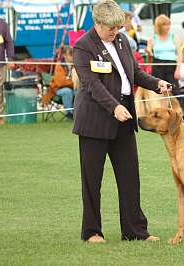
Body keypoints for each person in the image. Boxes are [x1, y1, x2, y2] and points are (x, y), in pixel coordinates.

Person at [72, 0, 171, 243]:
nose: (115, 32)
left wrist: (156, 83)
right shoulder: (83, 47)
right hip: (95, 120)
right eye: (110, 28)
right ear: (97, 23)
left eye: (118, 27)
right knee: (92, 181)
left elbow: (134, 73)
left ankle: (135, 231)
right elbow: (92, 84)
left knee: (130, 177)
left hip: (124, 118)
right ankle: (92, 231)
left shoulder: (122, 40)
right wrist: (114, 106)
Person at [42, 46, 75, 120]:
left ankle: (80, 114)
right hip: (57, 90)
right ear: (64, 55)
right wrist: (73, 82)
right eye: (70, 54)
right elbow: (61, 82)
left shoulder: (76, 65)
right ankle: (69, 113)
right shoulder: (59, 66)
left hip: (73, 89)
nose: (73, 56)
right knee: (67, 91)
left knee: (81, 92)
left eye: (73, 54)